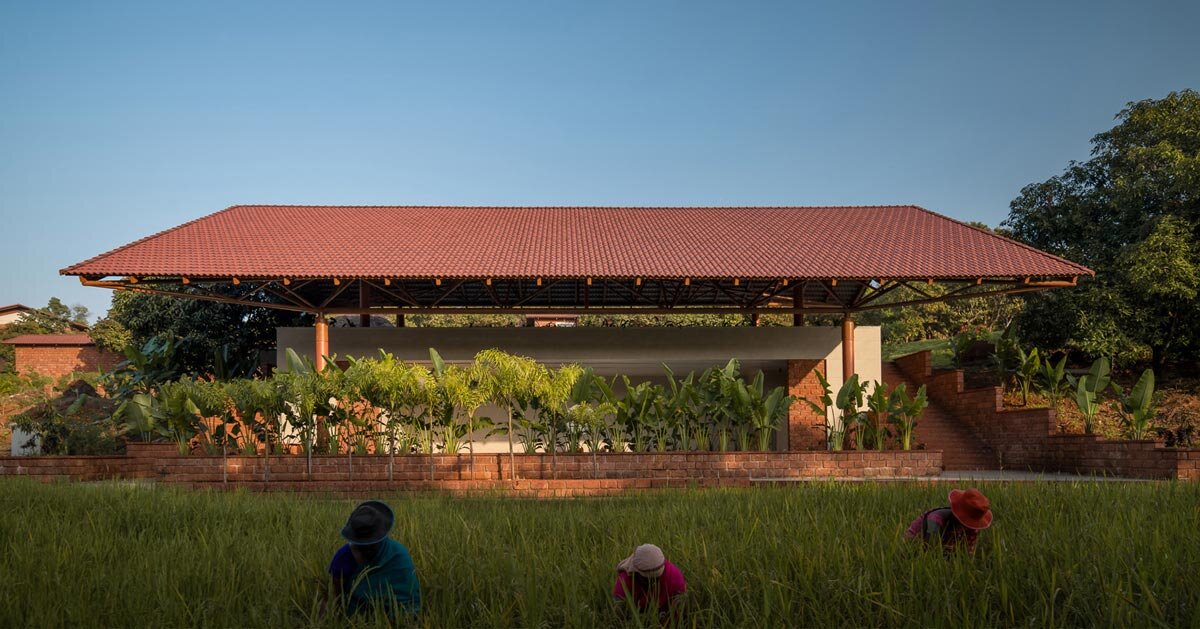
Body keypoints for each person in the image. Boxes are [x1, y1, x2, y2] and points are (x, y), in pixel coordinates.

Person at [328, 500, 421, 617]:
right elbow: (336, 597)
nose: (368, 550)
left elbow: (408, 597)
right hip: (358, 618)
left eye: (371, 545)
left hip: (400, 617)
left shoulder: (398, 555)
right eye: (363, 546)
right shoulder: (343, 558)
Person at [612, 543, 686, 624]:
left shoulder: (675, 577)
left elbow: (679, 609)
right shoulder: (625, 580)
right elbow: (619, 614)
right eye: (646, 579)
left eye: (654, 579)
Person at [904, 488, 992, 554]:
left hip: (947, 544)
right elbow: (930, 549)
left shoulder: (973, 527)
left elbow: (969, 550)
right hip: (917, 543)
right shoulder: (935, 519)